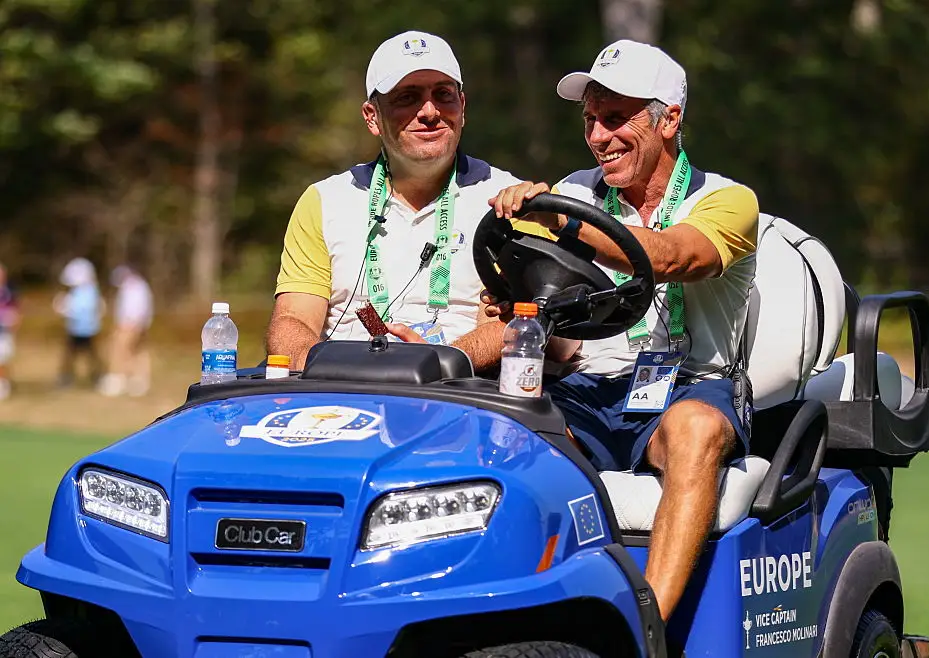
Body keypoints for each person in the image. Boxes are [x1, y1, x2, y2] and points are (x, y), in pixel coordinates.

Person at [489, 40, 759, 621]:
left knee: (694, 428)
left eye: (615, 118)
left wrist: (560, 218)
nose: (598, 135)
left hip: (690, 385)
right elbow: (561, 329)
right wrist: (518, 304)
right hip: (589, 389)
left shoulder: (728, 201)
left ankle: (646, 628)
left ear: (670, 120)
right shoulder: (574, 192)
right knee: (500, 427)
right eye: (590, 119)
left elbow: (670, 257)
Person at [266, 30, 573, 371]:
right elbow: (293, 320)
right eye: (407, 97)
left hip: (461, 388)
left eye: (443, 95)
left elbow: (526, 323)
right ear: (372, 116)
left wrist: (435, 364)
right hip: (345, 384)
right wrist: (329, 370)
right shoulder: (325, 200)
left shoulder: (514, 202)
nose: (429, 111)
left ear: (463, 106)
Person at [97, 264, 153, 397]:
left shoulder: (134, 287)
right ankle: (137, 381)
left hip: (130, 325)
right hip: (137, 324)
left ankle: (118, 380)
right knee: (136, 352)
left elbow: (134, 308)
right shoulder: (139, 286)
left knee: (120, 351)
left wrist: (129, 325)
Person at [54, 257, 104, 388]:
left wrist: (67, 310)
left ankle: (97, 378)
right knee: (70, 356)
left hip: (88, 330)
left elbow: (86, 308)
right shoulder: (76, 292)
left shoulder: (90, 291)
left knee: (91, 356)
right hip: (74, 329)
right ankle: (66, 378)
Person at [0, 262, 20, 400]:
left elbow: (17, 310)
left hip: (4, 331)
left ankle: (4, 385)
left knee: (3, 359)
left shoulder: (10, 292)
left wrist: (14, 323)